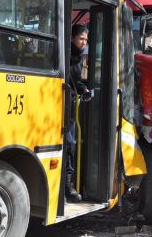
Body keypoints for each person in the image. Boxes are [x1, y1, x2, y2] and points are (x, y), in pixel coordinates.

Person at [66, 24, 91, 202]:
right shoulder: (64, 54)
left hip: (72, 103)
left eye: (86, 40)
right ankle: (67, 186)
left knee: (72, 143)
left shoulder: (79, 58)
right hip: (61, 103)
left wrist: (84, 90)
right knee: (69, 142)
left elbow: (77, 81)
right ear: (73, 38)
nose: (84, 42)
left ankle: (68, 183)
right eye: (81, 38)